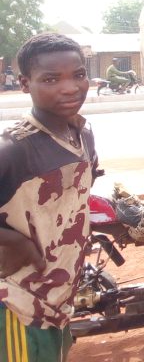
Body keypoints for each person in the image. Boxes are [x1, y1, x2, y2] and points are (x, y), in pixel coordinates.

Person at [0, 33, 98, 362]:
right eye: (51, 79)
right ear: (25, 84)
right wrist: (19, 244)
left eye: (78, 75)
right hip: (17, 304)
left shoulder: (82, 135)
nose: (70, 88)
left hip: (59, 300)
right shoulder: (14, 149)